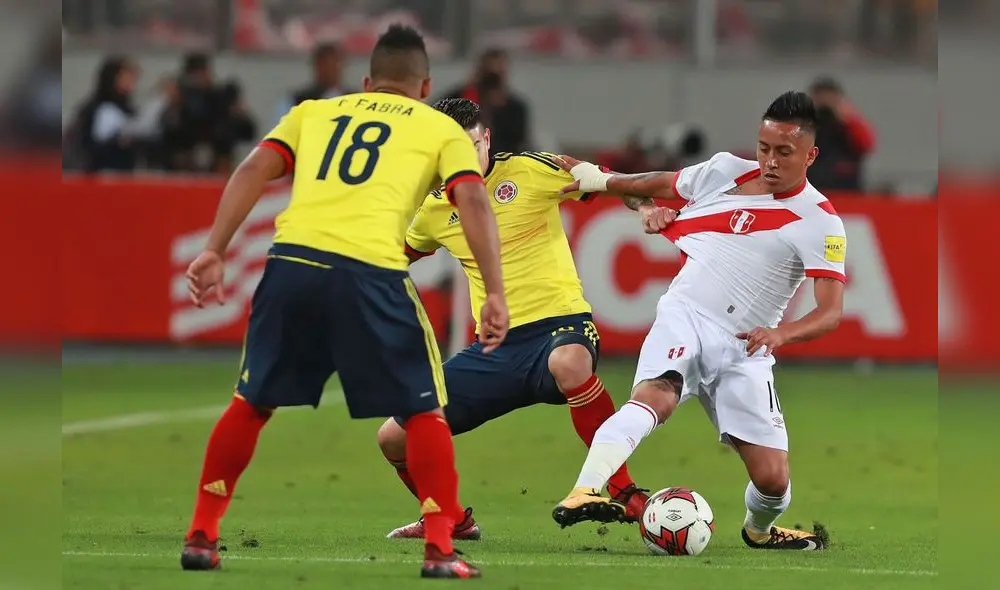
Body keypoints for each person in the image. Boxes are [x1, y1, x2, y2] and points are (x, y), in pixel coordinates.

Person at [180, 25, 509, 579]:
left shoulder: (313, 112)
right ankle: (439, 549)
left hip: (292, 266)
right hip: (371, 271)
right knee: (425, 410)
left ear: (365, 81)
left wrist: (215, 249)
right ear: (425, 85)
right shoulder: (438, 126)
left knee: (252, 402)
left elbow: (253, 167)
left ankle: (201, 536)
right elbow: (471, 196)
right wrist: (495, 292)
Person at [550, 91, 846, 551]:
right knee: (657, 397)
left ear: (810, 155)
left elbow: (830, 313)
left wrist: (781, 333)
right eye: (764, 147)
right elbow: (651, 183)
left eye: (784, 153)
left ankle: (759, 531)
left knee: (773, 482)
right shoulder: (725, 171)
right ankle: (585, 488)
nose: (770, 160)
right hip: (687, 316)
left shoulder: (821, 222)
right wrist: (622, 192)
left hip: (747, 348)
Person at [376, 98, 648, 541]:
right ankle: (449, 518)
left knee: (569, 364)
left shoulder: (528, 170)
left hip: (561, 326)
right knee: (392, 436)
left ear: (487, 140)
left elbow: (601, 179)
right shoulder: (433, 211)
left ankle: (621, 489)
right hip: (495, 349)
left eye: (471, 146)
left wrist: (646, 208)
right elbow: (394, 258)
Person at [807, 77, 876, 191]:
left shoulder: (849, 123)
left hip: (846, 188)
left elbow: (866, 144)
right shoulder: (806, 125)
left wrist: (847, 118)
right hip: (813, 188)